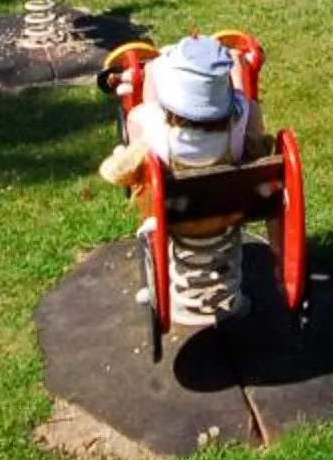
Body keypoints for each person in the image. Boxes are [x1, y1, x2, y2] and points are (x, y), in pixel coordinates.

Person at [97, 35, 269, 328]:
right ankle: (232, 298)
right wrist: (236, 64)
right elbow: (254, 126)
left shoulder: (150, 127)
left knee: (151, 185)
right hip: (229, 211)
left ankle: (171, 286)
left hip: (174, 218)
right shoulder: (241, 119)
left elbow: (119, 170)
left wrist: (152, 72)